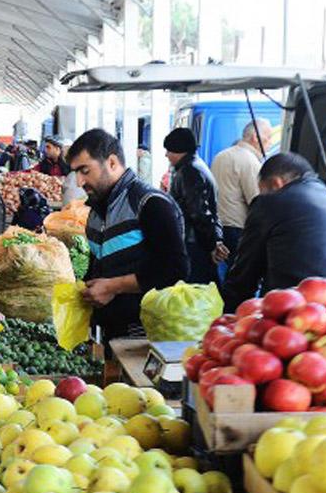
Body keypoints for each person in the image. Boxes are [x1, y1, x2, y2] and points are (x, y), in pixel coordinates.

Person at [67, 129, 189, 341]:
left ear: (112, 163)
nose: (79, 182)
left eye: (85, 170)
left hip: (146, 332)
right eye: (75, 172)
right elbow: (99, 263)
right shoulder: (96, 211)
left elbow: (175, 269)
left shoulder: (151, 204)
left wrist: (113, 287)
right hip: (110, 331)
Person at [223, 153, 326, 310]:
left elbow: (242, 279)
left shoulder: (270, 204)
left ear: (276, 183)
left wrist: (225, 323)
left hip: (294, 321)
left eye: (262, 190)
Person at [164, 127, 228, 285]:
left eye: (169, 151)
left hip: (194, 242)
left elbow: (198, 212)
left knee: (196, 288)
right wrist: (215, 240)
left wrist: (211, 244)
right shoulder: (198, 165)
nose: (166, 155)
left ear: (179, 151)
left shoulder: (189, 171)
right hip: (201, 240)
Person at [211, 119, 273, 272]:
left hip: (219, 228)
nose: (270, 143)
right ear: (255, 138)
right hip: (238, 229)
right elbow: (257, 201)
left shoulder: (221, 156)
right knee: (242, 275)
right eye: (268, 138)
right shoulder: (250, 161)